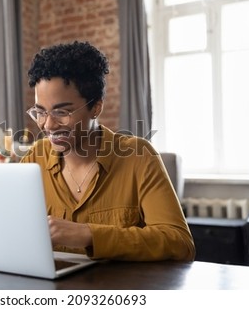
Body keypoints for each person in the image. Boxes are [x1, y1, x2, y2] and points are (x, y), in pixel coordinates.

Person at [21, 41, 195, 261]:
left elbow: (179, 243)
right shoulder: (33, 160)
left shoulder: (139, 156)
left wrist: (89, 235)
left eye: (61, 112)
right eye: (40, 112)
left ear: (96, 107)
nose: (48, 125)